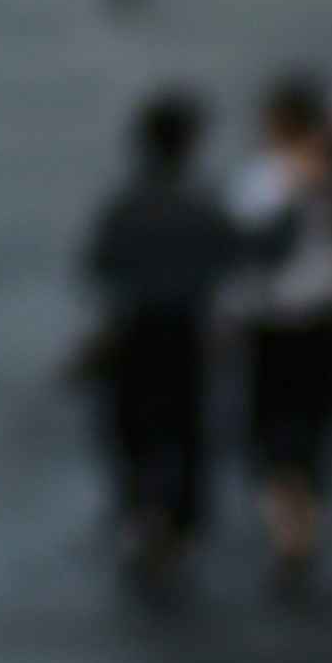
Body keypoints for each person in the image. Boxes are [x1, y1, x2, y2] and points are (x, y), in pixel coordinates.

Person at [80, 91, 244, 599]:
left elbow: (97, 266)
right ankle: (181, 525)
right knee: (188, 430)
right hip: (186, 330)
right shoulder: (201, 207)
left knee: (131, 426)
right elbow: (237, 254)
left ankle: (138, 512)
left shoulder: (124, 207)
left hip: (134, 326)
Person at [219, 74, 332, 595]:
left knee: (266, 422)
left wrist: (229, 315)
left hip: (269, 318)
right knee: (315, 418)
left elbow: (240, 257)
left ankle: (285, 510)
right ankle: (308, 506)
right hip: (321, 315)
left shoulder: (258, 180)